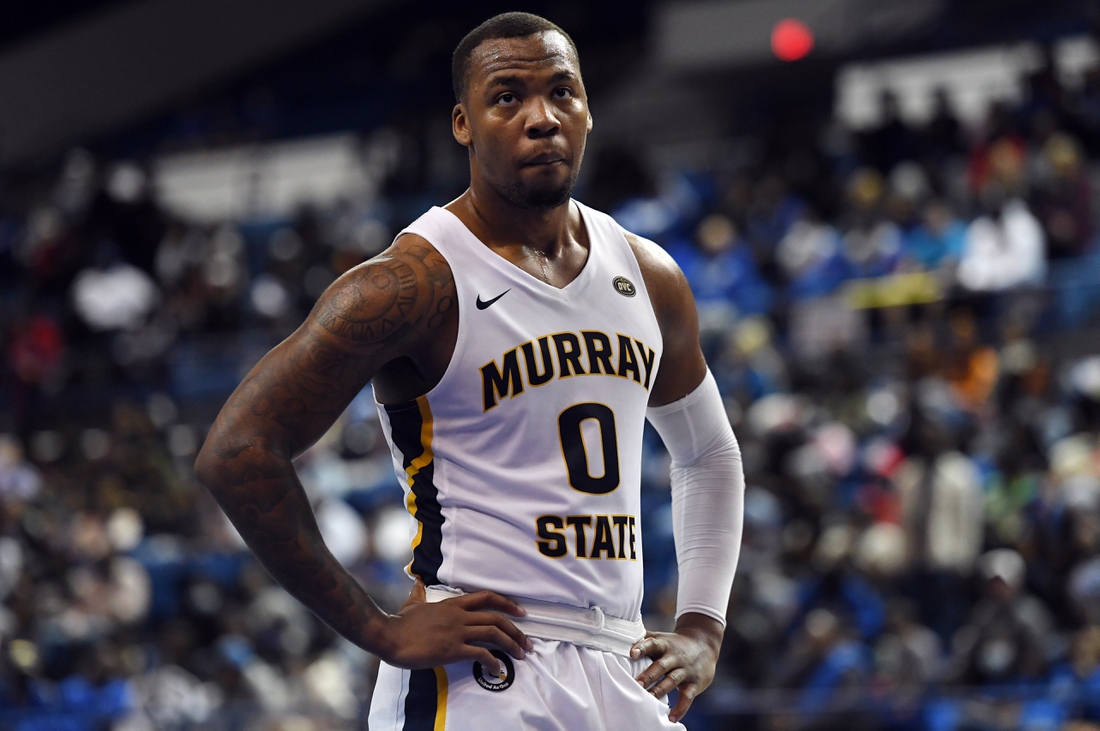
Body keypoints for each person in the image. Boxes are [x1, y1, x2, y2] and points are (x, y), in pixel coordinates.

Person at [194, 12, 744, 730]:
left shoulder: (648, 273)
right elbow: (236, 450)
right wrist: (378, 628)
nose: (542, 118)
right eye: (508, 96)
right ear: (464, 123)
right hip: (483, 671)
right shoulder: (410, 282)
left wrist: (704, 625)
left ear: (587, 108)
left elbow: (706, 452)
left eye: (562, 92)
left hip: (620, 658)